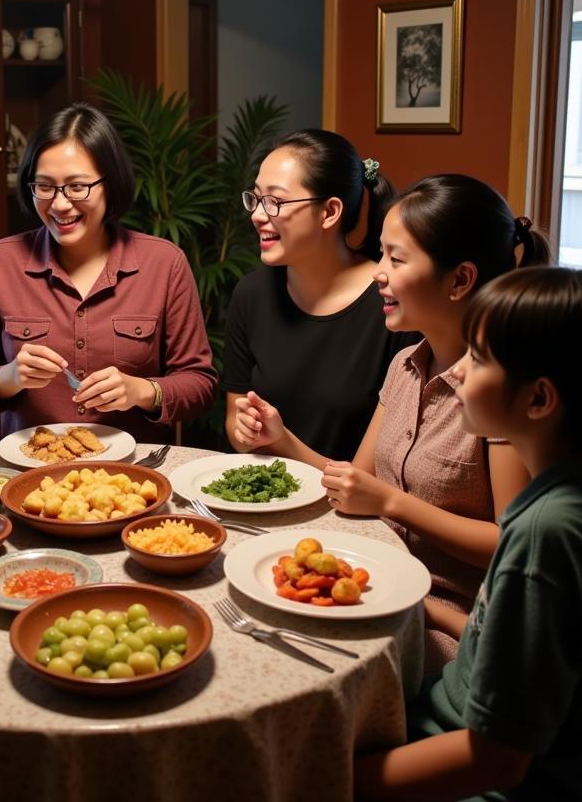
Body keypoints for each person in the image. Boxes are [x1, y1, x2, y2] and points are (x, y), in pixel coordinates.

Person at [234, 175, 547, 669]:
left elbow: (512, 547)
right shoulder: (406, 365)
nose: (378, 273)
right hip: (379, 584)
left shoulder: (493, 397)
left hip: (448, 620)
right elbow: (357, 482)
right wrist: (284, 440)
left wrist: (392, 504)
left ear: (460, 280)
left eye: (396, 260)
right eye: (380, 254)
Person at [354, 266, 582, 802]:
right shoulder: (553, 500)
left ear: (538, 400)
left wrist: (326, 781)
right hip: (441, 710)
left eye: (477, 359)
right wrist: (427, 609)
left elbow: (496, 759)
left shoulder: (546, 532)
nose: (456, 373)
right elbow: (502, 652)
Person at [0, 103, 217, 442]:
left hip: (134, 482)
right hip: (28, 474)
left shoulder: (164, 263)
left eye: (78, 186)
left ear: (111, 183)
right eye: (45, 186)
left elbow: (201, 385)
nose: (60, 204)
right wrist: (10, 375)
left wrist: (141, 391)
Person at [224, 129, 417, 460]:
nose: (257, 214)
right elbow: (234, 426)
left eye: (275, 201)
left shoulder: (391, 305)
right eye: (255, 198)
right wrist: (245, 432)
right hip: (260, 497)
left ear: (329, 212)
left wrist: (283, 442)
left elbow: (382, 474)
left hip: (349, 508)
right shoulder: (250, 295)